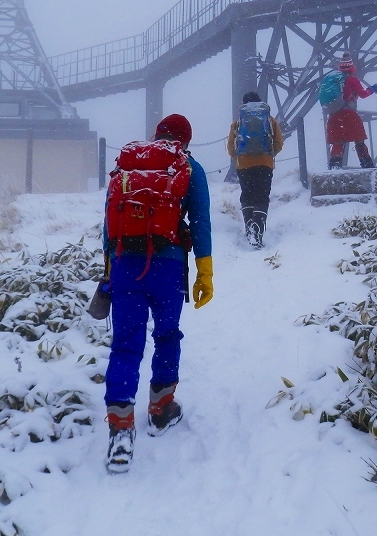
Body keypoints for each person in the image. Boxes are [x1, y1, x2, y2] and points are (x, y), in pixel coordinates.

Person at [102, 113, 213, 473]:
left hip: (125, 266)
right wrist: (204, 272)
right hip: (167, 268)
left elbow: (109, 221)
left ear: (157, 134)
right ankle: (161, 410)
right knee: (166, 335)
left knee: (125, 344)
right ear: (186, 139)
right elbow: (200, 221)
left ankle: (120, 430)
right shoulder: (188, 166)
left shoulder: (128, 167)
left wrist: (109, 270)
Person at [227, 91, 284, 249]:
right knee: (262, 196)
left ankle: (249, 226)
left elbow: (231, 148)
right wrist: (268, 155)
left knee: (247, 195)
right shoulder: (270, 120)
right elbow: (279, 143)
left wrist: (239, 158)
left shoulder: (238, 123)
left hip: (244, 164)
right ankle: (257, 231)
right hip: (264, 164)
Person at [322, 52, 377, 170]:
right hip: (349, 115)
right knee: (359, 140)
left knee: (338, 142)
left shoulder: (332, 80)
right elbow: (363, 94)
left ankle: (334, 166)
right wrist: (372, 89)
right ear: (352, 68)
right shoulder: (352, 80)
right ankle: (366, 164)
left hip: (334, 115)